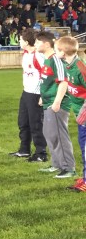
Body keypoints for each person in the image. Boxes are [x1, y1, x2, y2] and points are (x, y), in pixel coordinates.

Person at [34, 32, 76, 178]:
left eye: (38, 42)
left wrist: (57, 101)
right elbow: (48, 80)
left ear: (46, 44)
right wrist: (42, 96)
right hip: (48, 102)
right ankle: (57, 164)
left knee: (59, 135)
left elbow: (64, 81)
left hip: (56, 104)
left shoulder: (55, 60)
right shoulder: (47, 60)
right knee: (50, 134)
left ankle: (68, 168)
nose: (35, 44)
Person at [9, 29, 47, 161]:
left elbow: (46, 75)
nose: (19, 41)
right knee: (23, 122)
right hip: (26, 92)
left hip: (36, 94)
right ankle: (24, 149)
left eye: (20, 39)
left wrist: (43, 94)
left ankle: (41, 153)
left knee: (36, 123)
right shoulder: (26, 54)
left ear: (26, 41)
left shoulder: (38, 55)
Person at [55, 36, 86, 190]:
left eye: (56, 49)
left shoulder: (81, 67)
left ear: (63, 52)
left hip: (84, 114)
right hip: (79, 112)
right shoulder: (66, 65)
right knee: (83, 145)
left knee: (85, 147)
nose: (55, 52)